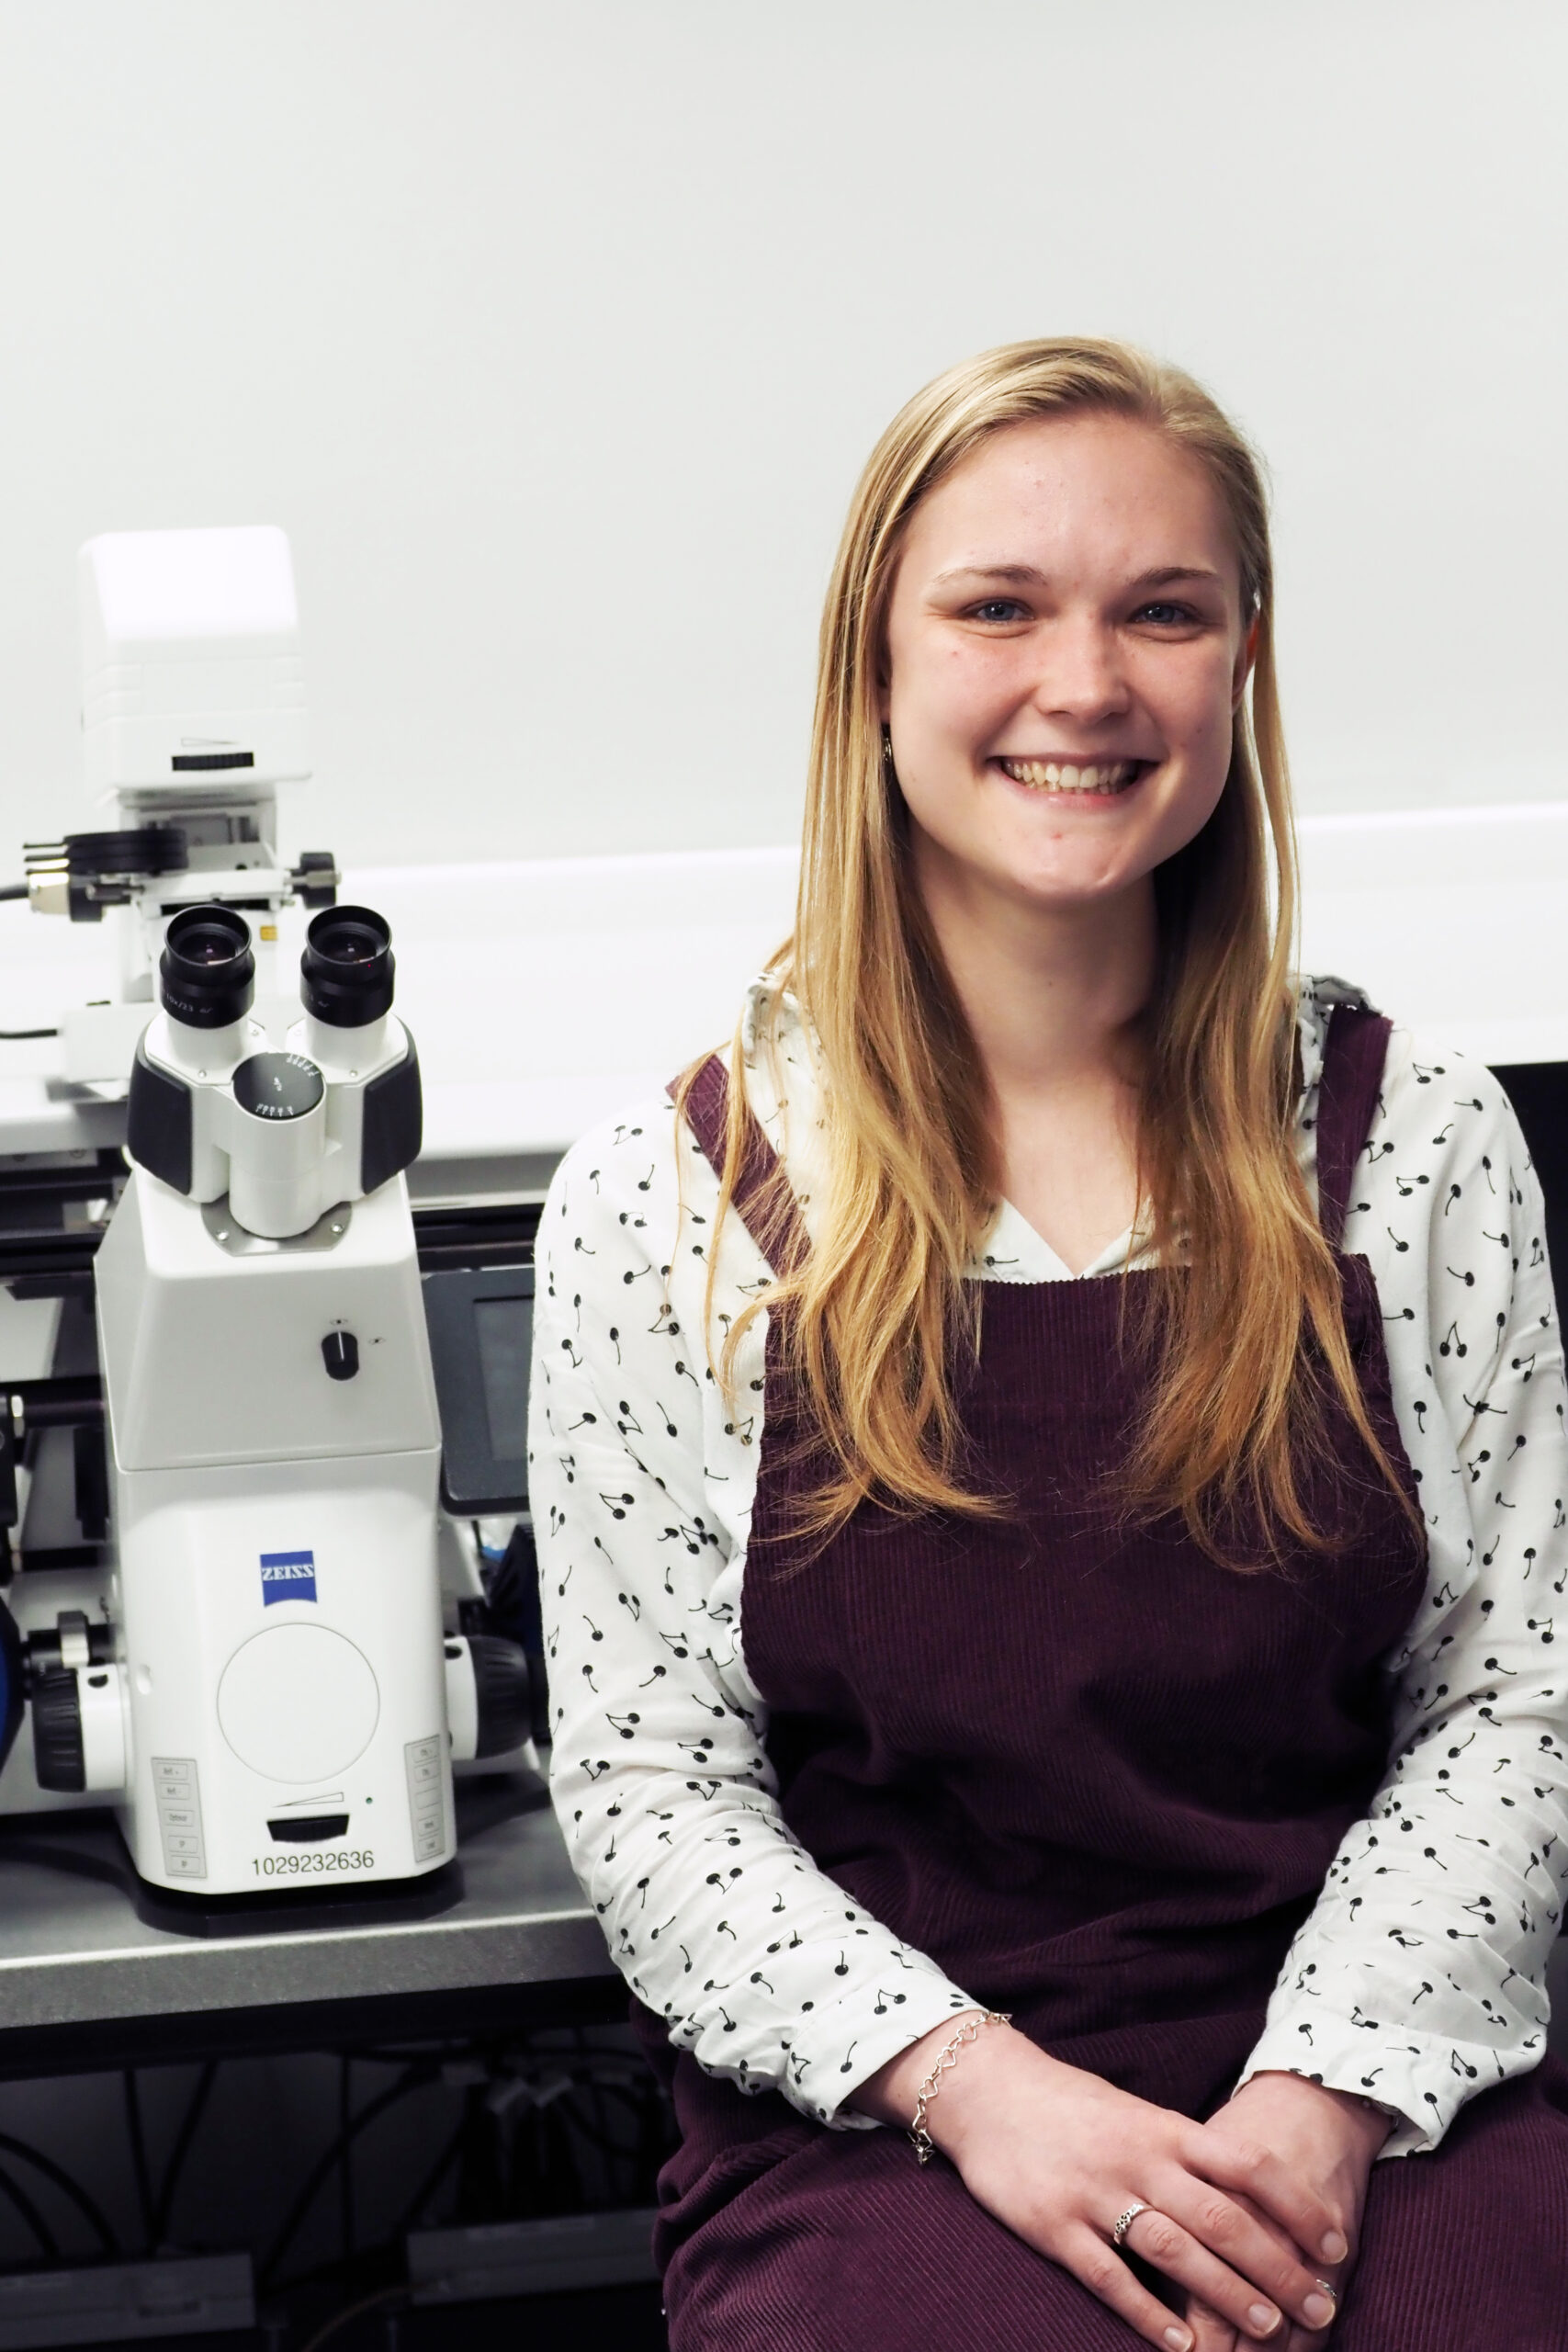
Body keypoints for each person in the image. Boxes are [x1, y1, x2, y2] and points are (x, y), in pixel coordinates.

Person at [529, 339, 1568, 2350]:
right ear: (875, 667)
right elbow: (654, 1785)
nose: (1081, 685)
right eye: (996, 606)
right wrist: (977, 2086)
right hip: (892, 2128)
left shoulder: (1409, 1137)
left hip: (1375, 2080)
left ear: (1238, 665)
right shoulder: (670, 1195)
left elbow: (1509, 1696)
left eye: (1159, 612)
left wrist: (1317, 2092)